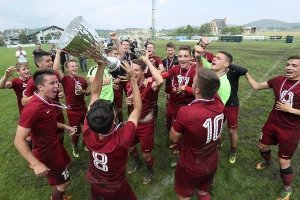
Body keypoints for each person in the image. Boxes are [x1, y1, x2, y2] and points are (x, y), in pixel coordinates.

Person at [83, 58, 141, 200]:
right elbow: (138, 108)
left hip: (95, 183)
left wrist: (101, 66)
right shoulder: (122, 138)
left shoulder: (88, 131)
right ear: (114, 121)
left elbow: (94, 93)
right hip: (115, 188)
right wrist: (133, 79)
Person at [245, 55, 300, 200]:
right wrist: (244, 72)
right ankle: (268, 162)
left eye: (294, 65)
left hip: (290, 130)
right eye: (288, 64)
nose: (289, 68)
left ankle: (287, 188)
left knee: (284, 161)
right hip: (272, 123)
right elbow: (256, 86)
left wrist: (291, 110)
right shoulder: (278, 80)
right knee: (262, 146)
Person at [14, 69, 75, 200]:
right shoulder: (32, 108)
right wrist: (36, 164)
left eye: (57, 83)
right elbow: (18, 140)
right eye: (52, 83)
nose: (57, 86)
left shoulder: (48, 100)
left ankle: (58, 188)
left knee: (68, 164)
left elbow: (48, 121)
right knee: (64, 183)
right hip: (47, 152)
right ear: (40, 87)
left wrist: (64, 126)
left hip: (56, 145)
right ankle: (58, 194)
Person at [170, 67, 224, 200]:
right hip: (211, 161)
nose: (191, 85)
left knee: (184, 196)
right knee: (203, 192)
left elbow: (173, 137)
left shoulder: (187, 112)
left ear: (198, 90)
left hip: (191, 165)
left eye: (193, 82)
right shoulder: (219, 103)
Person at [126, 54, 163, 185]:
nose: (132, 72)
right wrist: (129, 101)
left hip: (146, 124)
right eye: (131, 69)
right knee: (130, 147)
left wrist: (147, 61)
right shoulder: (129, 85)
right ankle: (137, 163)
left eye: (136, 70)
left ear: (143, 71)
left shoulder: (149, 85)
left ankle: (149, 170)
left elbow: (160, 81)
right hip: (133, 123)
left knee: (146, 154)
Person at [160, 45, 197, 166]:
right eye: (180, 56)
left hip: (186, 107)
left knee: (183, 129)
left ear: (191, 57)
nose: (182, 59)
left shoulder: (195, 70)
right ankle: (178, 142)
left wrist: (184, 88)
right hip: (173, 103)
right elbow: (163, 76)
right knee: (171, 124)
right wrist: (149, 79)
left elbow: (199, 91)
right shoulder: (176, 68)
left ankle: (182, 152)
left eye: (185, 56)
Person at [53, 50, 91, 158]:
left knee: (87, 128)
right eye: (72, 66)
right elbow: (55, 69)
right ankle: (74, 145)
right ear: (68, 69)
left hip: (83, 108)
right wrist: (58, 53)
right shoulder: (65, 79)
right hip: (72, 110)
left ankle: (84, 142)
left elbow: (89, 91)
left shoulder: (82, 79)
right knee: (76, 131)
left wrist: (83, 92)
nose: (74, 68)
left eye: (75, 66)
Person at [223, 64, 248, 164]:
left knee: (231, 130)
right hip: (219, 104)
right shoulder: (215, 71)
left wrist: (228, 63)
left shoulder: (233, 71)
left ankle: (233, 150)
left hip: (231, 105)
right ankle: (218, 141)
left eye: (219, 58)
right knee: (217, 126)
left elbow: (244, 69)